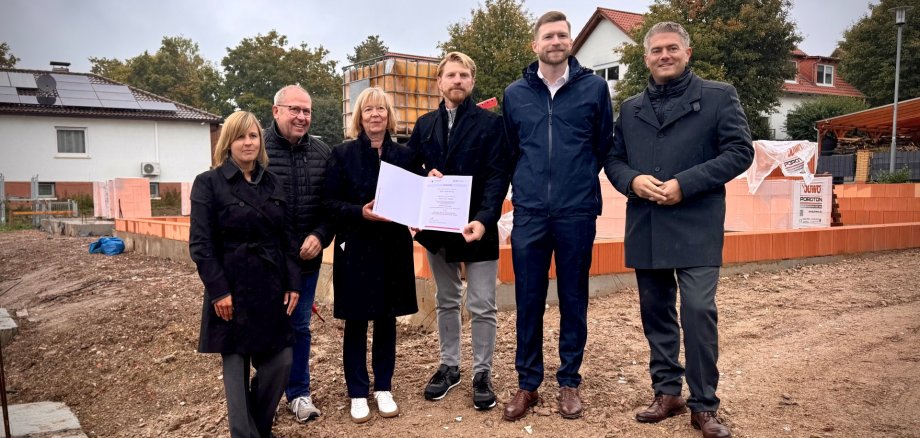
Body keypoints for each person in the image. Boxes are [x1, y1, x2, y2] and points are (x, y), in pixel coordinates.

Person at [603, 21, 754, 438]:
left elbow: (741, 151)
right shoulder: (631, 108)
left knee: (698, 312)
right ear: (646, 57)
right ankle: (667, 391)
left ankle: (704, 405)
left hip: (697, 224)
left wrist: (685, 184)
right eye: (656, 50)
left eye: (672, 48)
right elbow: (613, 159)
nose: (664, 55)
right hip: (647, 223)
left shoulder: (718, 96)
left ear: (688, 53)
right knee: (655, 313)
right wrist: (631, 180)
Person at [501, 11, 613, 421]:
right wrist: (529, 188)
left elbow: (602, 145)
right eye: (548, 35)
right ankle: (527, 385)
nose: (556, 41)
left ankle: (569, 382)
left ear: (570, 43)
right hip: (529, 213)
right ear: (535, 45)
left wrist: (578, 179)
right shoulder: (515, 94)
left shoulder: (594, 88)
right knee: (527, 299)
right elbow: (513, 150)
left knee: (573, 298)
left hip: (576, 211)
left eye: (562, 35)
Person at [407, 52, 509, 410]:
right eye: (451, 75)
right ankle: (450, 366)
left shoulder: (491, 124)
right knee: (446, 299)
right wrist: (423, 178)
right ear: (439, 82)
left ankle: (482, 372)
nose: (457, 80)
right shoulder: (423, 125)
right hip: (438, 229)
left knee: (482, 304)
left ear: (472, 81)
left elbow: (498, 176)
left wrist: (485, 219)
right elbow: (409, 168)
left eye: (464, 75)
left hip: (478, 226)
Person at [189, 111, 300, 438]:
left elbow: (288, 238)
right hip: (231, 287)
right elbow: (201, 244)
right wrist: (220, 291)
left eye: (253, 136)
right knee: (235, 369)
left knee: (281, 361)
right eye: (240, 137)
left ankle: (258, 428)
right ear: (228, 142)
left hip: (270, 284)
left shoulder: (273, 181)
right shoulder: (208, 183)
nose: (248, 142)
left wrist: (293, 282)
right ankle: (244, 433)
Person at [322, 87, 419, 423]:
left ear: (389, 115)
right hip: (357, 247)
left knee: (387, 319)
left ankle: (384, 387)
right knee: (356, 321)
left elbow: (417, 198)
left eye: (381, 109)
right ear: (358, 117)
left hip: (392, 247)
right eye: (368, 109)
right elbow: (329, 203)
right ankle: (358, 392)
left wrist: (423, 208)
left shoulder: (406, 156)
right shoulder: (342, 154)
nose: (375, 114)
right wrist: (359, 212)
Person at [264, 84, 333, 423]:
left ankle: (299, 393)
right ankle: (265, 394)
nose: (302, 117)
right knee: (265, 325)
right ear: (276, 111)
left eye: (306, 111)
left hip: (307, 261)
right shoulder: (255, 150)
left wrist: (321, 235)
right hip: (264, 262)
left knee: (300, 326)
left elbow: (329, 206)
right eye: (295, 109)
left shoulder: (322, 153)